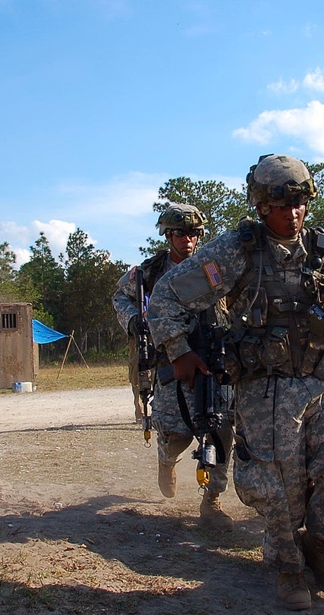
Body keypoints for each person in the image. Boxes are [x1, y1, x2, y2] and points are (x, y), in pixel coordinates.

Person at [146, 154, 324, 610]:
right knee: (278, 484)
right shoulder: (238, 250)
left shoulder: (323, 252)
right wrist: (179, 350)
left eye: (299, 203)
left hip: (320, 381)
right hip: (265, 389)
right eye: (280, 204)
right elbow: (166, 296)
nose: (292, 213)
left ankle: (320, 542)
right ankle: (289, 568)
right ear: (260, 204)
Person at [112, 203, 234, 530]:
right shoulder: (149, 272)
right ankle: (167, 461)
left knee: (220, 427)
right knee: (175, 431)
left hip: (213, 356)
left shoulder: (215, 266)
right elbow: (120, 297)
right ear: (168, 235)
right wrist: (135, 320)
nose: (188, 240)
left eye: (194, 233)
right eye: (180, 233)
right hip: (170, 358)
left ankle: (212, 501)